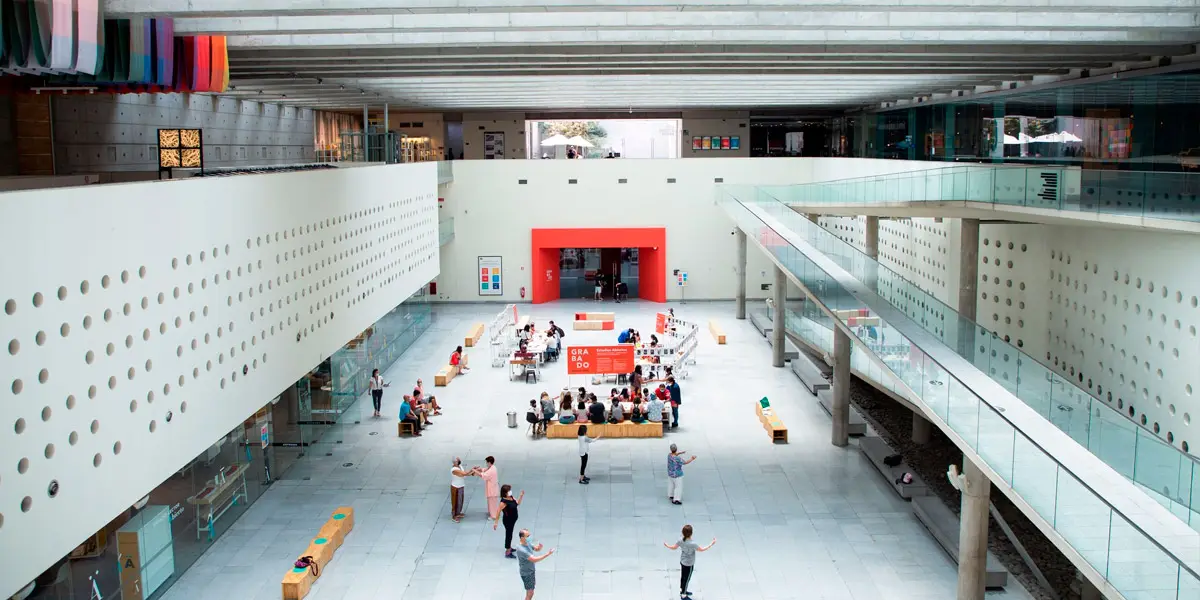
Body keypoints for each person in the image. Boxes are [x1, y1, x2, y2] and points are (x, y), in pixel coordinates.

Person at [664, 525, 716, 599]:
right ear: (691, 533)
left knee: (683, 577)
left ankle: (682, 590)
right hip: (689, 564)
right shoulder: (693, 544)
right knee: (687, 578)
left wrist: (667, 545)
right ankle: (683, 594)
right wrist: (711, 544)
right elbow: (701, 549)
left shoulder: (680, 540)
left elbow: (674, 547)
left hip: (683, 561)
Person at [514, 529, 554, 600]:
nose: (529, 537)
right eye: (527, 536)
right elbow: (534, 559)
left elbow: (535, 549)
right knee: (530, 593)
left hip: (530, 571)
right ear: (522, 537)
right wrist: (547, 554)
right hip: (527, 573)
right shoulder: (522, 550)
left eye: (529, 535)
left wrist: (539, 548)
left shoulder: (527, 543)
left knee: (531, 590)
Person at [493, 484, 524, 558]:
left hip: (513, 519)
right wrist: (496, 522)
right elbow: (498, 512)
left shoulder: (511, 497)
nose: (510, 492)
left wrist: (521, 495)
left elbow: (517, 503)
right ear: (505, 493)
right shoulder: (503, 502)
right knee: (509, 535)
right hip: (508, 521)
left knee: (510, 533)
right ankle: (507, 551)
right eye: (508, 491)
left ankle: (509, 547)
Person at [450, 457, 474, 522]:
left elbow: (464, 475)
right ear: (455, 462)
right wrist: (472, 470)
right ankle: (454, 516)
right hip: (455, 487)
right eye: (458, 460)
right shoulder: (454, 470)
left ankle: (458, 513)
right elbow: (464, 474)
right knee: (455, 501)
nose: (459, 460)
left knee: (460, 500)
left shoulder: (460, 466)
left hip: (461, 486)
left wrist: (472, 473)